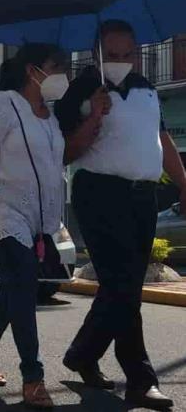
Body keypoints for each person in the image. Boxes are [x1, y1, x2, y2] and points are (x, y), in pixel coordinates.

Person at [56, 20, 185, 411]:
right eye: (112, 55)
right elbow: (66, 152)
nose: (121, 61)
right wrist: (94, 114)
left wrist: (183, 181)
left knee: (120, 287)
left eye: (127, 54)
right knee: (123, 286)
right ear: (96, 54)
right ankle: (141, 381)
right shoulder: (79, 91)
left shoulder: (146, 90)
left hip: (142, 198)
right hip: (99, 194)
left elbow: (161, 140)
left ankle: (82, 354)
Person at [0, 43, 69, 409]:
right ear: (33, 70)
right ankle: (34, 377)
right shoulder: (2, 105)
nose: (63, 73)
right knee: (25, 283)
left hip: (38, 218)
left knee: (13, 289)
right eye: (56, 65)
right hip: (2, 211)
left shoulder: (50, 114)